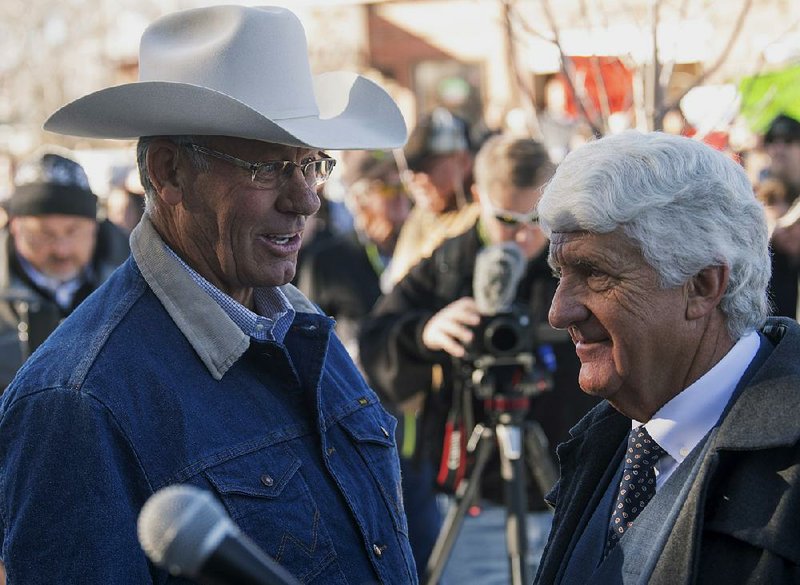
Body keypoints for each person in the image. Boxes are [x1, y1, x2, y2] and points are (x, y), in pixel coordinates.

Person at [0, 6, 415, 585]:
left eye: (312, 164)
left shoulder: (303, 327)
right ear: (169, 172)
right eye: (268, 167)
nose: (306, 200)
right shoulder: (78, 401)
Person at [533, 130, 800, 584]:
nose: (559, 312)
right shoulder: (610, 436)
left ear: (702, 287)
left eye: (594, 273)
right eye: (561, 273)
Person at [359, 136, 595, 569]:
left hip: (571, 490)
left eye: (536, 218)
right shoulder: (450, 263)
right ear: (476, 197)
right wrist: (424, 333)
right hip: (475, 495)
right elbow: (376, 340)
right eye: (506, 219)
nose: (523, 235)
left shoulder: (579, 259)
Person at [0, 150, 129, 389]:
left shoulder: (138, 280)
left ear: (94, 226)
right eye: (44, 234)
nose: (61, 249)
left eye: (73, 231)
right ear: (16, 227)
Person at [385, 107, 480, 286]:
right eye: (409, 170)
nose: (413, 178)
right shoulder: (421, 215)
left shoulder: (486, 216)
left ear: (463, 161)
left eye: (426, 167)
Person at [761, 113, 800, 319]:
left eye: (788, 141)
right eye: (773, 142)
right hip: (775, 309)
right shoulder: (760, 193)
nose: (779, 148)